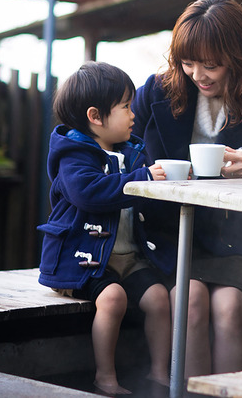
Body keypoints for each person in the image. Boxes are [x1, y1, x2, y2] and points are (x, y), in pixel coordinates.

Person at [132, 0, 242, 377]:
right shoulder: (157, 90)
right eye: (188, 62)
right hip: (166, 233)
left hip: (226, 236)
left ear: (238, 56)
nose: (197, 74)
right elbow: (124, 151)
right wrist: (149, 172)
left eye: (211, 65)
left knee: (231, 308)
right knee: (191, 301)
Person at [37, 61, 172, 396]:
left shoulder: (132, 151)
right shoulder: (74, 155)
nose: (133, 114)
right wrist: (142, 181)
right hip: (84, 260)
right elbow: (89, 193)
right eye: (125, 107)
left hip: (128, 256)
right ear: (95, 116)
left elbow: (143, 200)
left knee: (159, 298)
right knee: (112, 299)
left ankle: (159, 373)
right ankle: (105, 378)